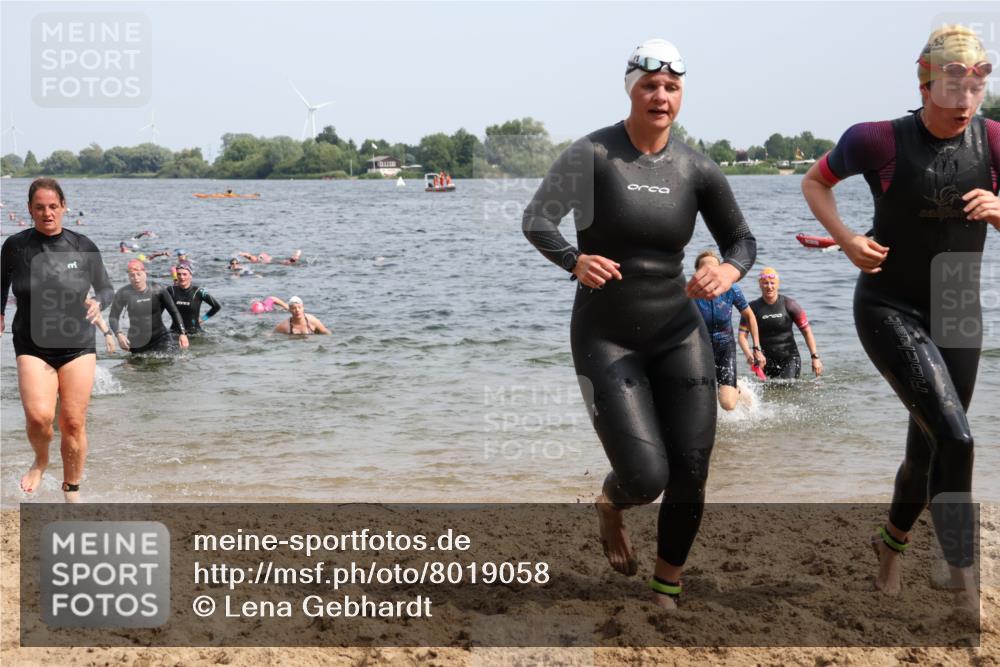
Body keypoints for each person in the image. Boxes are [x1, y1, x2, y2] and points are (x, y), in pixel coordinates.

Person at [523, 38, 756, 608]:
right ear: (632, 89)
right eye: (650, 85)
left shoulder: (696, 168)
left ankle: (665, 586)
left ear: (681, 96)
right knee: (645, 475)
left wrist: (726, 271)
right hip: (607, 335)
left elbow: (742, 241)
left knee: (692, 467)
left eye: (672, 87)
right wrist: (573, 259)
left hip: (678, 331)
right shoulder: (593, 155)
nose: (661, 95)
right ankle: (611, 502)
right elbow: (537, 220)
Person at [801, 25, 998, 612]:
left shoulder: (994, 142)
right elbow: (816, 181)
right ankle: (962, 576)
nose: (964, 102)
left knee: (928, 448)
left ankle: (890, 547)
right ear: (926, 80)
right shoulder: (878, 139)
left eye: (977, 86)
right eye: (952, 85)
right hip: (891, 304)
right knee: (958, 436)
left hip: (959, 302)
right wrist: (848, 239)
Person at [0, 178, 115, 501]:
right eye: (39, 207)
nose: (47, 213)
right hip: (31, 343)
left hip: (77, 343)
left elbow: (105, 287)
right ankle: (41, 459)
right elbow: (1, 284)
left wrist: (99, 302)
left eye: (53, 206)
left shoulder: (83, 245)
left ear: (63, 207)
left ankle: (72, 489)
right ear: (29, 210)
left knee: (73, 422)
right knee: (39, 418)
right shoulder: (16, 246)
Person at [692, 250, 763, 409]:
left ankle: (737, 391)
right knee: (698, 400)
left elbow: (750, 316)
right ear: (697, 272)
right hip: (699, 349)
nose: (710, 273)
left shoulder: (731, 289)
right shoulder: (689, 292)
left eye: (714, 269)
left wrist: (756, 347)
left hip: (725, 348)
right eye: (705, 269)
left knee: (727, 404)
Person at [738, 267, 822, 380]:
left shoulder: (790, 304)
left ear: (778, 284)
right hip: (765, 360)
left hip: (790, 358)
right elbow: (742, 336)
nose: (769, 286)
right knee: (768, 393)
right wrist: (750, 355)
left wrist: (815, 357)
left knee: (787, 387)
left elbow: (807, 331)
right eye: (765, 283)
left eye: (772, 283)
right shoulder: (752, 308)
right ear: (760, 285)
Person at [108, 259, 189, 354]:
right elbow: (113, 316)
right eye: (132, 275)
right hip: (136, 340)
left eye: (139, 274)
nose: (136, 278)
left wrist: (182, 334)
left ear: (145, 274)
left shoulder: (158, 290)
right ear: (128, 277)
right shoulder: (123, 293)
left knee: (169, 364)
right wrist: (119, 335)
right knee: (134, 368)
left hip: (160, 337)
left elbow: (174, 311)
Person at [166, 262, 221, 335]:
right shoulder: (171, 290)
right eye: (179, 274)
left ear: (190, 276)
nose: (182, 277)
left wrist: (203, 319)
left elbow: (216, 307)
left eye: (185, 274)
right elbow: (159, 308)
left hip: (194, 334)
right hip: (174, 332)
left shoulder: (199, 291)